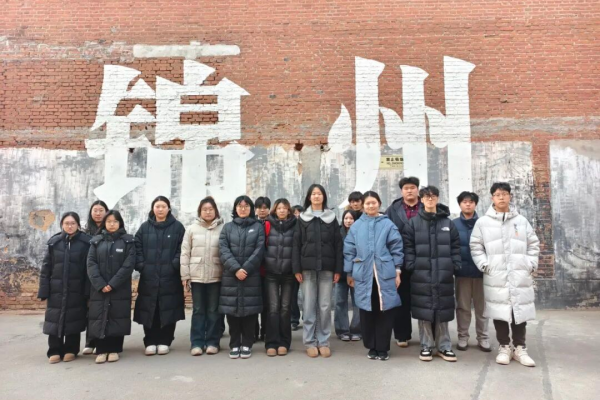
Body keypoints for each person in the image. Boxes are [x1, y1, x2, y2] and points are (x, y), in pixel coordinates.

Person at [470, 182, 540, 367]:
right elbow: (476, 246)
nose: (501, 197)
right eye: (497, 194)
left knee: (519, 310)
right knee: (500, 311)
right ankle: (504, 347)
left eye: (504, 194)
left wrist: (530, 264)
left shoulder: (521, 221)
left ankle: (520, 348)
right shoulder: (483, 222)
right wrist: (485, 265)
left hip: (519, 273)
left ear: (510, 196)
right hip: (496, 274)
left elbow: (533, 244)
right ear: (492, 198)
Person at [403, 186, 461, 362]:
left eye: (433, 196)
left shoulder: (447, 223)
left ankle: (444, 346)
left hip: (443, 273)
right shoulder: (413, 223)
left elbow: (455, 246)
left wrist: (454, 265)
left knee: (443, 310)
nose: (430, 199)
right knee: (425, 310)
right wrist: (411, 265)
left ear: (437, 198)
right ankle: (426, 345)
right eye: (426, 197)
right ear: (421, 199)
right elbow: (408, 247)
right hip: (421, 274)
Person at [344, 192, 404, 361]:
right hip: (363, 273)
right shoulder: (357, 226)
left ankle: (383, 347)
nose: (370, 206)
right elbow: (349, 250)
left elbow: (396, 248)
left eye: (373, 203)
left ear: (379, 203)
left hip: (384, 273)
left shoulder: (388, 224)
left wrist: (397, 271)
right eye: (367, 203)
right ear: (363, 206)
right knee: (366, 310)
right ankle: (371, 346)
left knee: (385, 310)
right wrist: (349, 272)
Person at [293, 184, 343, 358]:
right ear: (309, 197)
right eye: (313, 193)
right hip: (307, 269)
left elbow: (338, 245)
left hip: (327, 269)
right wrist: (296, 269)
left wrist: (338, 269)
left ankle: (323, 341)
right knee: (308, 305)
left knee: (325, 306)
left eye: (319, 193)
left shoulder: (331, 218)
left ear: (324, 197)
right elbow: (296, 244)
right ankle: (309, 341)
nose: (316, 196)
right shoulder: (302, 218)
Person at [134, 196, 186, 356]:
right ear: (153, 208)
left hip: (170, 277)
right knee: (150, 308)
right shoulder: (144, 228)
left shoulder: (177, 227)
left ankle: (165, 340)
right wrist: (142, 266)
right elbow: (137, 247)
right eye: (157, 206)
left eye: (163, 206)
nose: (160, 209)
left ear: (169, 208)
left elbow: (183, 249)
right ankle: (150, 340)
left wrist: (174, 265)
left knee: (168, 307)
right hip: (149, 276)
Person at [37, 212, 92, 364]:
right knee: (55, 319)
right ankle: (54, 350)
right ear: (62, 224)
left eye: (73, 223)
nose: (70, 226)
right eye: (67, 223)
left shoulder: (86, 243)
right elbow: (46, 268)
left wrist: (87, 292)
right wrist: (44, 290)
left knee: (74, 319)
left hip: (77, 288)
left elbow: (89, 270)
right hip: (57, 289)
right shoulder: (54, 242)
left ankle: (71, 350)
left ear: (78, 225)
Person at [219, 195, 265, 359]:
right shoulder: (227, 228)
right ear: (235, 208)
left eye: (246, 206)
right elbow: (223, 250)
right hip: (231, 276)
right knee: (232, 312)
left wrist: (245, 269)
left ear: (251, 209)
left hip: (250, 276)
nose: (243, 209)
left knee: (250, 312)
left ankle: (247, 343)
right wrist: (236, 269)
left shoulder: (258, 227)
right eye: (240, 206)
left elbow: (260, 250)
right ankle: (234, 344)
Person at [87, 210, 135, 364]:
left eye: (115, 221)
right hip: (99, 288)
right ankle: (101, 349)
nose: (112, 224)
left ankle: (114, 349)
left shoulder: (128, 241)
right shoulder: (96, 241)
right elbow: (91, 263)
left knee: (117, 316)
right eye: (109, 221)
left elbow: (128, 265)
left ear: (120, 223)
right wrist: (100, 284)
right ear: (104, 224)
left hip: (119, 287)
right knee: (99, 315)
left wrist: (113, 283)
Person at [181, 196, 225, 356]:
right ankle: (197, 342)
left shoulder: (223, 229)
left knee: (214, 310)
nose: (208, 212)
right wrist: (185, 276)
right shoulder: (191, 229)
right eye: (204, 209)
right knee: (198, 310)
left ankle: (213, 342)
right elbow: (185, 253)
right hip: (197, 276)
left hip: (216, 275)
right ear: (200, 211)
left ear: (216, 211)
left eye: (210, 209)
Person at [385, 176, 422, 348]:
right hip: (400, 259)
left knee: (424, 298)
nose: (409, 191)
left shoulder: (426, 206)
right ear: (401, 191)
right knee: (401, 298)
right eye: (406, 188)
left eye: (412, 187)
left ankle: (427, 335)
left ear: (417, 189)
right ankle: (402, 334)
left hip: (422, 258)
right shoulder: (393, 210)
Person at [453, 191, 490, 352]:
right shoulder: (453, 224)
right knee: (463, 308)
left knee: (482, 308)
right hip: (462, 274)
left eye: (471, 202)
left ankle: (483, 338)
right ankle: (463, 337)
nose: (468, 204)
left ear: (475, 204)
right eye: (464, 202)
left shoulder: (484, 223)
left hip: (482, 273)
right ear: (460, 204)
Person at [264, 198, 297, 356]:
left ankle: (284, 342)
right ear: (275, 210)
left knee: (285, 308)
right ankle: (271, 342)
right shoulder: (267, 225)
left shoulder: (296, 225)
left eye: (285, 208)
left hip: (288, 273)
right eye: (279, 208)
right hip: (271, 273)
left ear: (289, 210)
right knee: (273, 308)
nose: (282, 210)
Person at [83, 200, 108, 355]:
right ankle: (90, 341)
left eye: (101, 210)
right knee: (90, 310)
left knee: (103, 309)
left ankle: (102, 342)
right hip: (88, 276)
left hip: (105, 276)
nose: (98, 213)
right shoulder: (85, 233)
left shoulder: (110, 230)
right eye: (95, 210)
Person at [335, 209, 362, 341]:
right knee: (340, 302)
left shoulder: (360, 233)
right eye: (346, 218)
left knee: (358, 302)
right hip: (340, 273)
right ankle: (342, 330)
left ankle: (357, 330)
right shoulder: (338, 232)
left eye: (351, 218)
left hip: (356, 272)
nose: (348, 221)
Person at [254, 196, 271, 342]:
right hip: (253, 269)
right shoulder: (252, 224)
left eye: (265, 208)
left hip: (269, 269)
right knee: (253, 302)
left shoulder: (273, 224)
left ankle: (265, 331)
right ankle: (253, 331)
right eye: (259, 207)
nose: (262, 210)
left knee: (267, 303)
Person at [290, 205, 304, 330]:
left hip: (306, 265)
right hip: (293, 266)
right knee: (292, 294)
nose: (297, 216)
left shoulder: (307, 227)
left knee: (307, 295)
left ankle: (307, 316)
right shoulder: (290, 227)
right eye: (294, 213)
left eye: (299, 213)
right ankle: (294, 319)